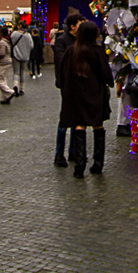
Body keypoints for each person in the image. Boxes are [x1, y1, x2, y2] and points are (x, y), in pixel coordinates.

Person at [59, 20, 114, 178]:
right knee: (97, 126)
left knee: (79, 126)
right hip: (95, 93)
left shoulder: (71, 50)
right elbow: (106, 75)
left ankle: (79, 165)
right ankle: (98, 164)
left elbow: (62, 73)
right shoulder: (97, 51)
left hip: (76, 95)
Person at [53, 13, 83, 166]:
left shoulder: (81, 40)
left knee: (77, 118)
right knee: (65, 118)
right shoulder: (62, 41)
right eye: (80, 23)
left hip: (80, 83)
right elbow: (61, 62)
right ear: (73, 26)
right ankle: (59, 154)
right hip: (66, 83)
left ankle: (73, 150)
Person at [0, 27, 15, 104]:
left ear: (1, 33)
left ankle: (9, 92)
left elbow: (2, 53)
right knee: (4, 79)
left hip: (4, 62)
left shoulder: (2, 42)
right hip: (8, 61)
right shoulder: (8, 40)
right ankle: (4, 97)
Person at [10, 23, 33, 95]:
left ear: (19, 26)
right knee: (22, 72)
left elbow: (11, 42)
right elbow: (31, 46)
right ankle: (22, 89)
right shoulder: (28, 35)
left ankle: (15, 85)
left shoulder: (14, 34)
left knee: (16, 72)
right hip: (25, 55)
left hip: (16, 54)